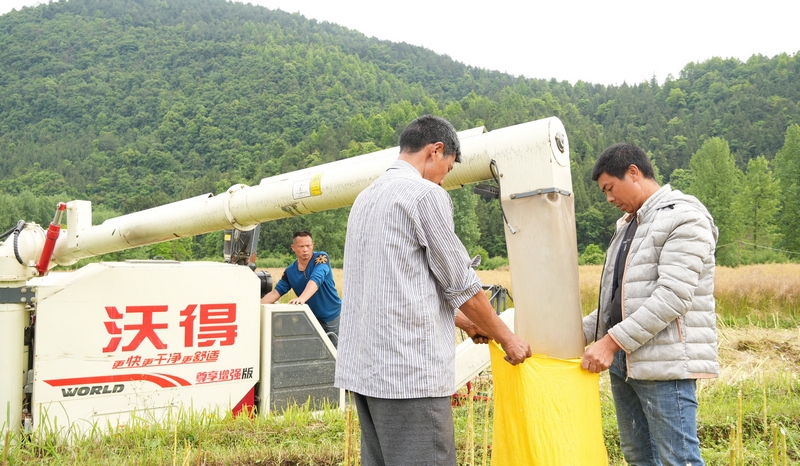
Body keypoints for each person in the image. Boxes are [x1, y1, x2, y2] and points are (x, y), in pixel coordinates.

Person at [335, 115, 532, 466]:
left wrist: (469, 323)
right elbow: (463, 285)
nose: (446, 177)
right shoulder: (425, 195)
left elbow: (396, 289)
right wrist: (507, 338)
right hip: (408, 376)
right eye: (449, 166)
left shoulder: (365, 198)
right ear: (435, 150)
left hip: (366, 373)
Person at [581, 143, 719, 466]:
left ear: (633, 172)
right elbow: (618, 300)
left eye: (610, 189)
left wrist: (610, 342)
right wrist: (580, 332)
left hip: (663, 366)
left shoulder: (684, 218)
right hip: (624, 364)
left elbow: (672, 297)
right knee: (639, 458)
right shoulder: (628, 226)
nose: (609, 200)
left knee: (678, 459)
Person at [261, 231, 341, 346]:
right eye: (301, 246)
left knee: (338, 351)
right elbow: (275, 293)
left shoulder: (321, 258)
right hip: (311, 319)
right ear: (293, 247)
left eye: (308, 246)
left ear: (312, 245)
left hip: (333, 316)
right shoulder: (290, 271)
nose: (305, 249)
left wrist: (302, 298)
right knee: (311, 350)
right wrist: (254, 307)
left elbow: (316, 279)